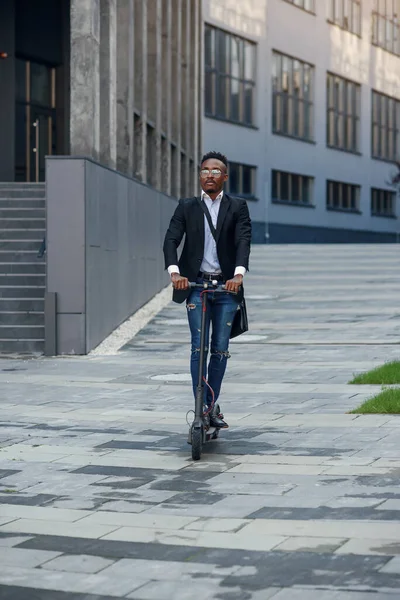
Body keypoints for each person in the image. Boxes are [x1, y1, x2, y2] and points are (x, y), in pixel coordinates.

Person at [163, 151, 252, 428]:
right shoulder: (187, 206)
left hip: (226, 288)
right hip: (195, 285)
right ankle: (201, 409)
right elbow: (170, 240)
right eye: (204, 171)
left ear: (225, 177)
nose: (209, 175)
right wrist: (175, 272)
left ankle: (210, 406)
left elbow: (243, 241)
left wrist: (238, 275)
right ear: (199, 176)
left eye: (215, 171)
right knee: (197, 348)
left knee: (220, 349)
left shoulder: (237, 206)